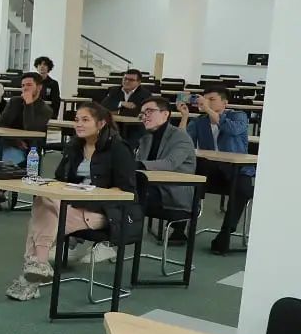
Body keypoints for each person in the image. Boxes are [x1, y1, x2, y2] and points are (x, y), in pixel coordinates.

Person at [6, 102, 136, 301]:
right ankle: (38, 267)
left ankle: (34, 272)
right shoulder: (75, 146)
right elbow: (60, 178)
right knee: (43, 204)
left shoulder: (118, 148)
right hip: (72, 204)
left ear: (101, 123)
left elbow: (127, 189)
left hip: (104, 210)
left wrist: (91, 194)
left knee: (40, 220)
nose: (79, 124)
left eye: (85, 120)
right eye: (76, 120)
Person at [178, 85, 254, 254]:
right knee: (188, 178)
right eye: (205, 99)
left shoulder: (238, 116)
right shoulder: (200, 121)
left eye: (212, 99)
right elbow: (183, 141)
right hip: (212, 170)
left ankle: (225, 233)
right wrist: (184, 117)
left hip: (237, 169)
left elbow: (233, 130)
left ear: (224, 103)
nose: (206, 102)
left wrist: (209, 111)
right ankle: (179, 227)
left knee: (241, 190)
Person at [136, 97, 197, 243]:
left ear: (165, 114)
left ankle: (116, 239)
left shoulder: (180, 136)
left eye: (149, 111)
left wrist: (137, 165)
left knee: (130, 197)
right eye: (142, 113)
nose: (145, 116)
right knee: (122, 193)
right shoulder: (146, 138)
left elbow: (169, 164)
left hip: (173, 193)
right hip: (151, 187)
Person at [102, 68, 152, 148]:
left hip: (135, 127)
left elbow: (137, 111)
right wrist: (121, 103)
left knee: (129, 144)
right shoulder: (114, 90)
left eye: (131, 80)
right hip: (115, 125)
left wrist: (117, 112)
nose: (127, 81)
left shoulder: (145, 94)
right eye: (125, 79)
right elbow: (104, 105)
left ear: (138, 82)